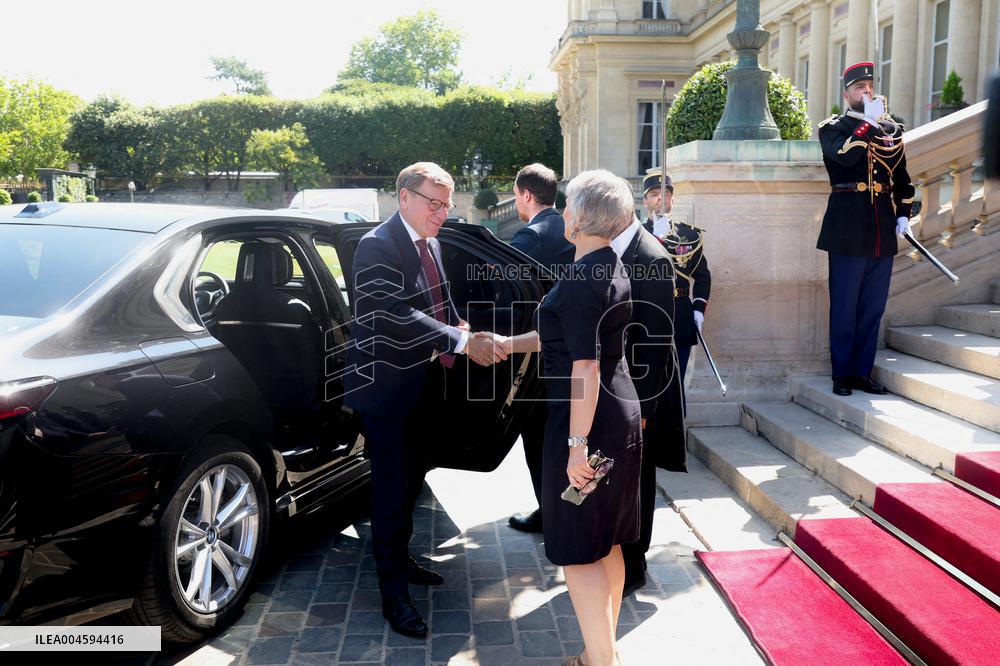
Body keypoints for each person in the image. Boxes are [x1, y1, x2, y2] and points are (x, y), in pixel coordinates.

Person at [342, 162, 506, 638]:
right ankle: (393, 594)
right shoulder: (377, 246)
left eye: (447, 204)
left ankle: (402, 559)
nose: (442, 212)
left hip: (423, 388)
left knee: (413, 483)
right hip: (386, 392)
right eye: (434, 203)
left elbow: (440, 301)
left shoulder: (431, 242)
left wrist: (465, 329)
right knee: (391, 492)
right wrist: (458, 343)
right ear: (405, 197)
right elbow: (392, 312)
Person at [500, 169, 642, 666]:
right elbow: (567, 335)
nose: (561, 212)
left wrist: (576, 447)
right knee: (606, 541)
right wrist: (505, 344)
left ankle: (599, 661)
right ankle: (601, 649)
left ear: (579, 217)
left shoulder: (584, 278)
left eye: (568, 206)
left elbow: (585, 363)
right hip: (615, 412)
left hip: (588, 419)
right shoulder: (607, 264)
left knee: (581, 546)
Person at [817, 62, 915, 396]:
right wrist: (868, 125)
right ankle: (842, 374)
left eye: (870, 86)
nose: (867, 91)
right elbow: (843, 157)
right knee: (844, 306)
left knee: (872, 308)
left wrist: (903, 213)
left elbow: (903, 178)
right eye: (860, 87)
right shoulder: (834, 128)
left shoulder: (892, 130)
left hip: (881, 231)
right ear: (846, 93)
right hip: (846, 229)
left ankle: (862, 372)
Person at [610, 212, 687, 596]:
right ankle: (621, 556)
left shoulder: (652, 258)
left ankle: (633, 566)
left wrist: (641, 409)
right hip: (625, 389)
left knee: (638, 480)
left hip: (643, 392)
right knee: (626, 479)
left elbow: (655, 342)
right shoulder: (621, 248)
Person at [507, 163, 576, 535]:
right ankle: (565, 510)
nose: (516, 201)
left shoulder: (529, 238)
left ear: (527, 195)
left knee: (538, 439)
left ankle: (550, 513)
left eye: (516, 194)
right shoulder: (571, 230)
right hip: (574, 352)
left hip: (536, 357)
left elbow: (508, 298)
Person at [641, 174, 711, 379]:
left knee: (677, 378)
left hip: (680, 312)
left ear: (673, 200)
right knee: (649, 380)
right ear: (645, 201)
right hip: (647, 313)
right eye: (654, 194)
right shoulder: (637, 233)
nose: (661, 198)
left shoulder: (689, 236)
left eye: (666, 194)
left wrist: (698, 308)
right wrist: (657, 238)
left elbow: (702, 276)